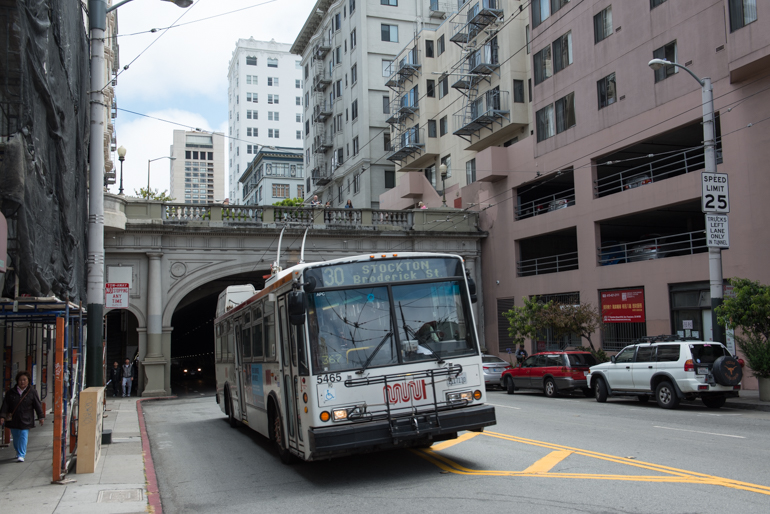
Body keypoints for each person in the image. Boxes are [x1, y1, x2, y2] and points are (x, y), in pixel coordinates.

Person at [0, 371, 44, 462]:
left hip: (26, 419)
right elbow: (5, 405)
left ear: (28, 381)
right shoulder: (11, 392)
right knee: (16, 437)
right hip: (14, 419)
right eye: (20, 380)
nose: (22, 382)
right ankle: (18, 450)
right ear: (17, 381)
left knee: (23, 435)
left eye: (24, 380)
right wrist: (2, 416)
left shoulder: (32, 392)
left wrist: (41, 416)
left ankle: (21, 454)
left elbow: (37, 405)